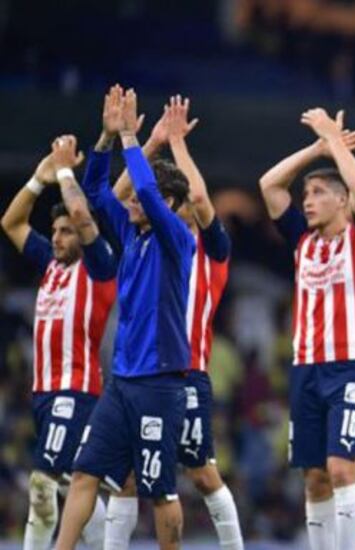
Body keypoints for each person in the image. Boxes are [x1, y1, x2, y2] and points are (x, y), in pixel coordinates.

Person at [55, 86, 195, 550]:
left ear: (170, 205)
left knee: (159, 490)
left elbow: (150, 193)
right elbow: (96, 189)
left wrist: (135, 136)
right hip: (122, 380)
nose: (130, 201)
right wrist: (107, 137)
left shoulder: (176, 238)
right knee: (84, 472)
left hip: (161, 381)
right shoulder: (133, 235)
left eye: (137, 197)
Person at [103, 95, 244, 550]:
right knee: (124, 476)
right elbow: (122, 195)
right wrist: (151, 142)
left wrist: (178, 144)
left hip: (188, 373)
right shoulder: (147, 236)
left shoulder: (210, 248)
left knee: (201, 474)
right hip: (142, 371)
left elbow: (200, 197)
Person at [258, 107, 355, 550]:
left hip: (353, 368)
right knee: (314, 477)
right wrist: (316, 149)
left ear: (340, 200)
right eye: (306, 193)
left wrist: (333, 136)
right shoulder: (302, 239)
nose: (306, 199)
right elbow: (269, 185)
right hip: (306, 368)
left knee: (342, 467)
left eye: (316, 192)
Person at [2, 135, 118, 550]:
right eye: (54, 231)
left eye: (66, 231)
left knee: (42, 480)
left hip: (77, 389)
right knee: (70, 480)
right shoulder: (51, 266)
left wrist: (66, 170)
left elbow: (83, 215)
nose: (56, 237)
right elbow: (11, 223)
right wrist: (39, 178)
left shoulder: (99, 266)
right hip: (44, 392)